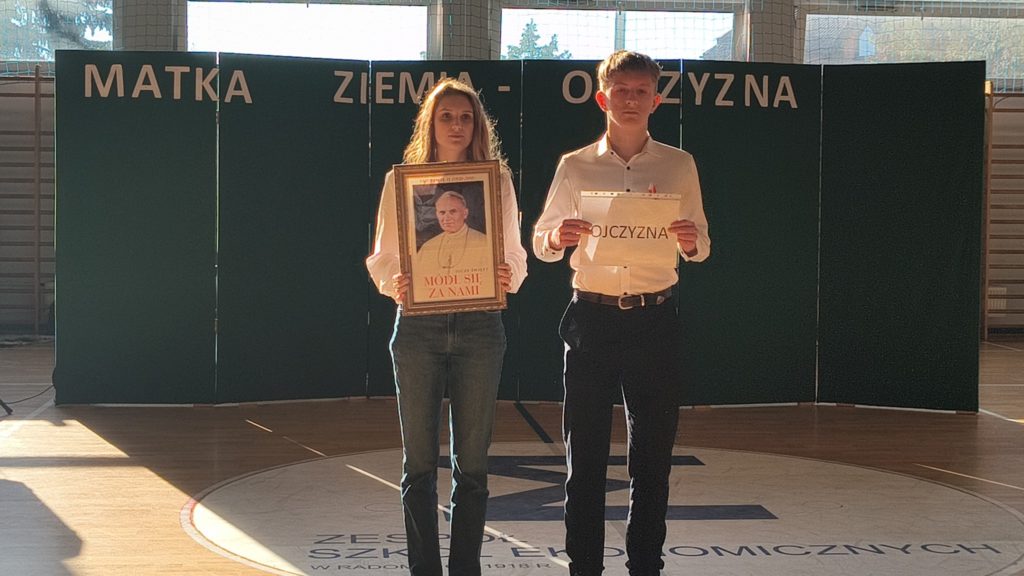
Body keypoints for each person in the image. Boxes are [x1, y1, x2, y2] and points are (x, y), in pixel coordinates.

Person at [532, 50, 711, 576]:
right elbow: (541, 241)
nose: (630, 100)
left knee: (652, 460)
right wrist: (556, 237)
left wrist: (690, 240)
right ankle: (583, 567)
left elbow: (702, 244)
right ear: (602, 98)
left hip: (655, 321)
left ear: (656, 100)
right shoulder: (574, 165)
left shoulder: (679, 165)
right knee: (584, 460)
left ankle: (645, 566)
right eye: (621, 91)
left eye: (641, 91)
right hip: (591, 320)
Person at [365, 78, 528, 576]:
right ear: (430, 124)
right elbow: (382, 257)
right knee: (418, 467)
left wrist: (509, 274)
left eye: (465, 117)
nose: (457, 125)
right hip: (418, 330)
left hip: (481, 329)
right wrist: (395, 281)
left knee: (472, 469)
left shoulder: (496, 181)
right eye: (446, 116)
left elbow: (515, 253)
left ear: (477, 125)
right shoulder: (403, 181)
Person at [415, 190, 490, 280]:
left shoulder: (484, 243)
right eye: (442, 212)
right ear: (437, 214)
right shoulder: (427, 247)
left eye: (453, 211)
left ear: (465, 213)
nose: (446, 218)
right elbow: (418, 280)